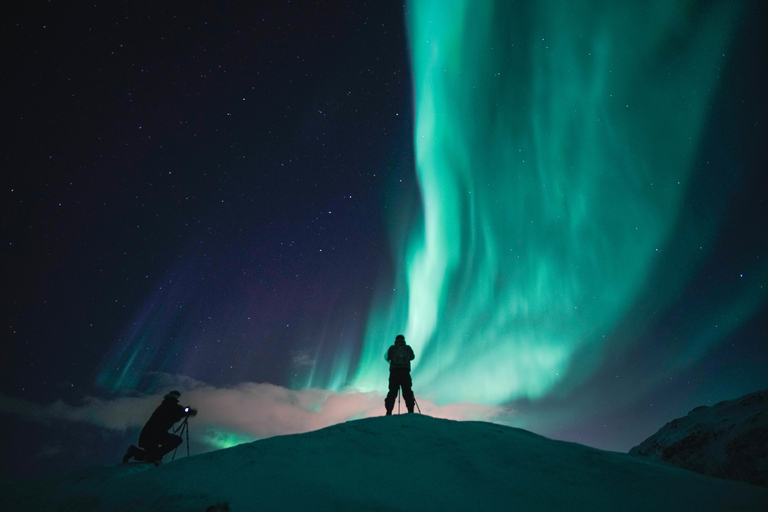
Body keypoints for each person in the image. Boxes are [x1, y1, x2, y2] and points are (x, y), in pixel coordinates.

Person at [122, 390, 197, 464]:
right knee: (176, 441)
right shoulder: (170, 405)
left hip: (148, 435)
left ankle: (134, 451)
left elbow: (177, 413)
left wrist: (185, 412)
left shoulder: (165, 406)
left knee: (153, 455)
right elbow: (179, 412)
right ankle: (143, 454)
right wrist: (188, 412)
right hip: (154, 435)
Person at [384, 334, 415, 415]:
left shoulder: (392, 348)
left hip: (394, 373)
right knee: (407, 392)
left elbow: (388, 357)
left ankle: (389, 411)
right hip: (405, 372)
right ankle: (410, 410)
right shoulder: (407, 348)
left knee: (392, 392)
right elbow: (412, 357)